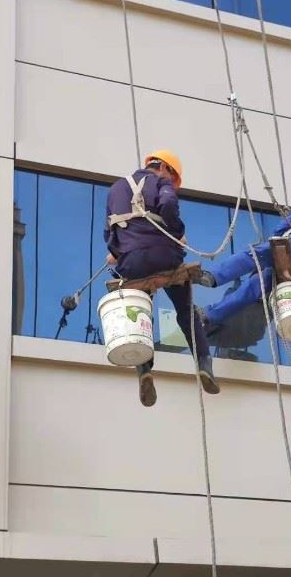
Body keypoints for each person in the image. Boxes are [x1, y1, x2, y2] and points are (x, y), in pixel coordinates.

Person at [104, 149, 218, 407]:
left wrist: (117, 252)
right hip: (164, 255)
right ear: (165, 168)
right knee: (185, 310)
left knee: (139, 310)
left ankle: (144, 370)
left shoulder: (115, 189)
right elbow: (167, 204)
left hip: (131, 262)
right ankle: (204, 363)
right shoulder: (160, 182)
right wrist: (176, 233)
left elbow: (108, 229)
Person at [197, 182, 291, 329]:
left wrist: (276, 243)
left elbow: (283, 226)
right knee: (255, 286)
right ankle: (210, 316)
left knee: (252, 255)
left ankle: (212, 277)